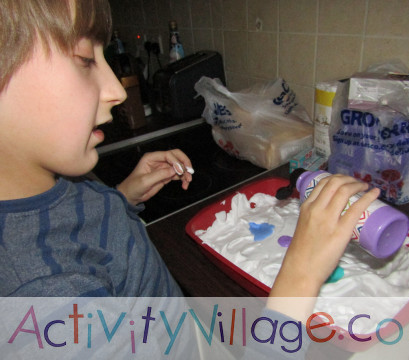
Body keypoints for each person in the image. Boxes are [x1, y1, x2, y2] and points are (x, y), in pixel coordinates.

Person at [0, 0, 379, 357]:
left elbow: (73, 233)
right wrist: (301, 275)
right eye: (84, 60)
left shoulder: (45, 181)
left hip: (179, 331)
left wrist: (121, 199)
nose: (116, 90)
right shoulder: (47, 308)